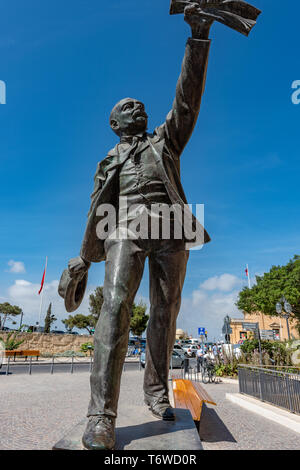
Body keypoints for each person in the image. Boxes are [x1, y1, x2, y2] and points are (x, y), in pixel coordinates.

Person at [65, 4, 214, 450]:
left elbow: (186, 100)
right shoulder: (108, 160)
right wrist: (83, 256)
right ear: (115, 124)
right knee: (114, 309)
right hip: (122, 228)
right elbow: (95, 210)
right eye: (129, 106)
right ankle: (100, 417)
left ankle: (155, 393)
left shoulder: (165, 141)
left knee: (165, 316)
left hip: (171, 229)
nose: (139, 106)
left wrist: (199, 36)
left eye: (140, 104)